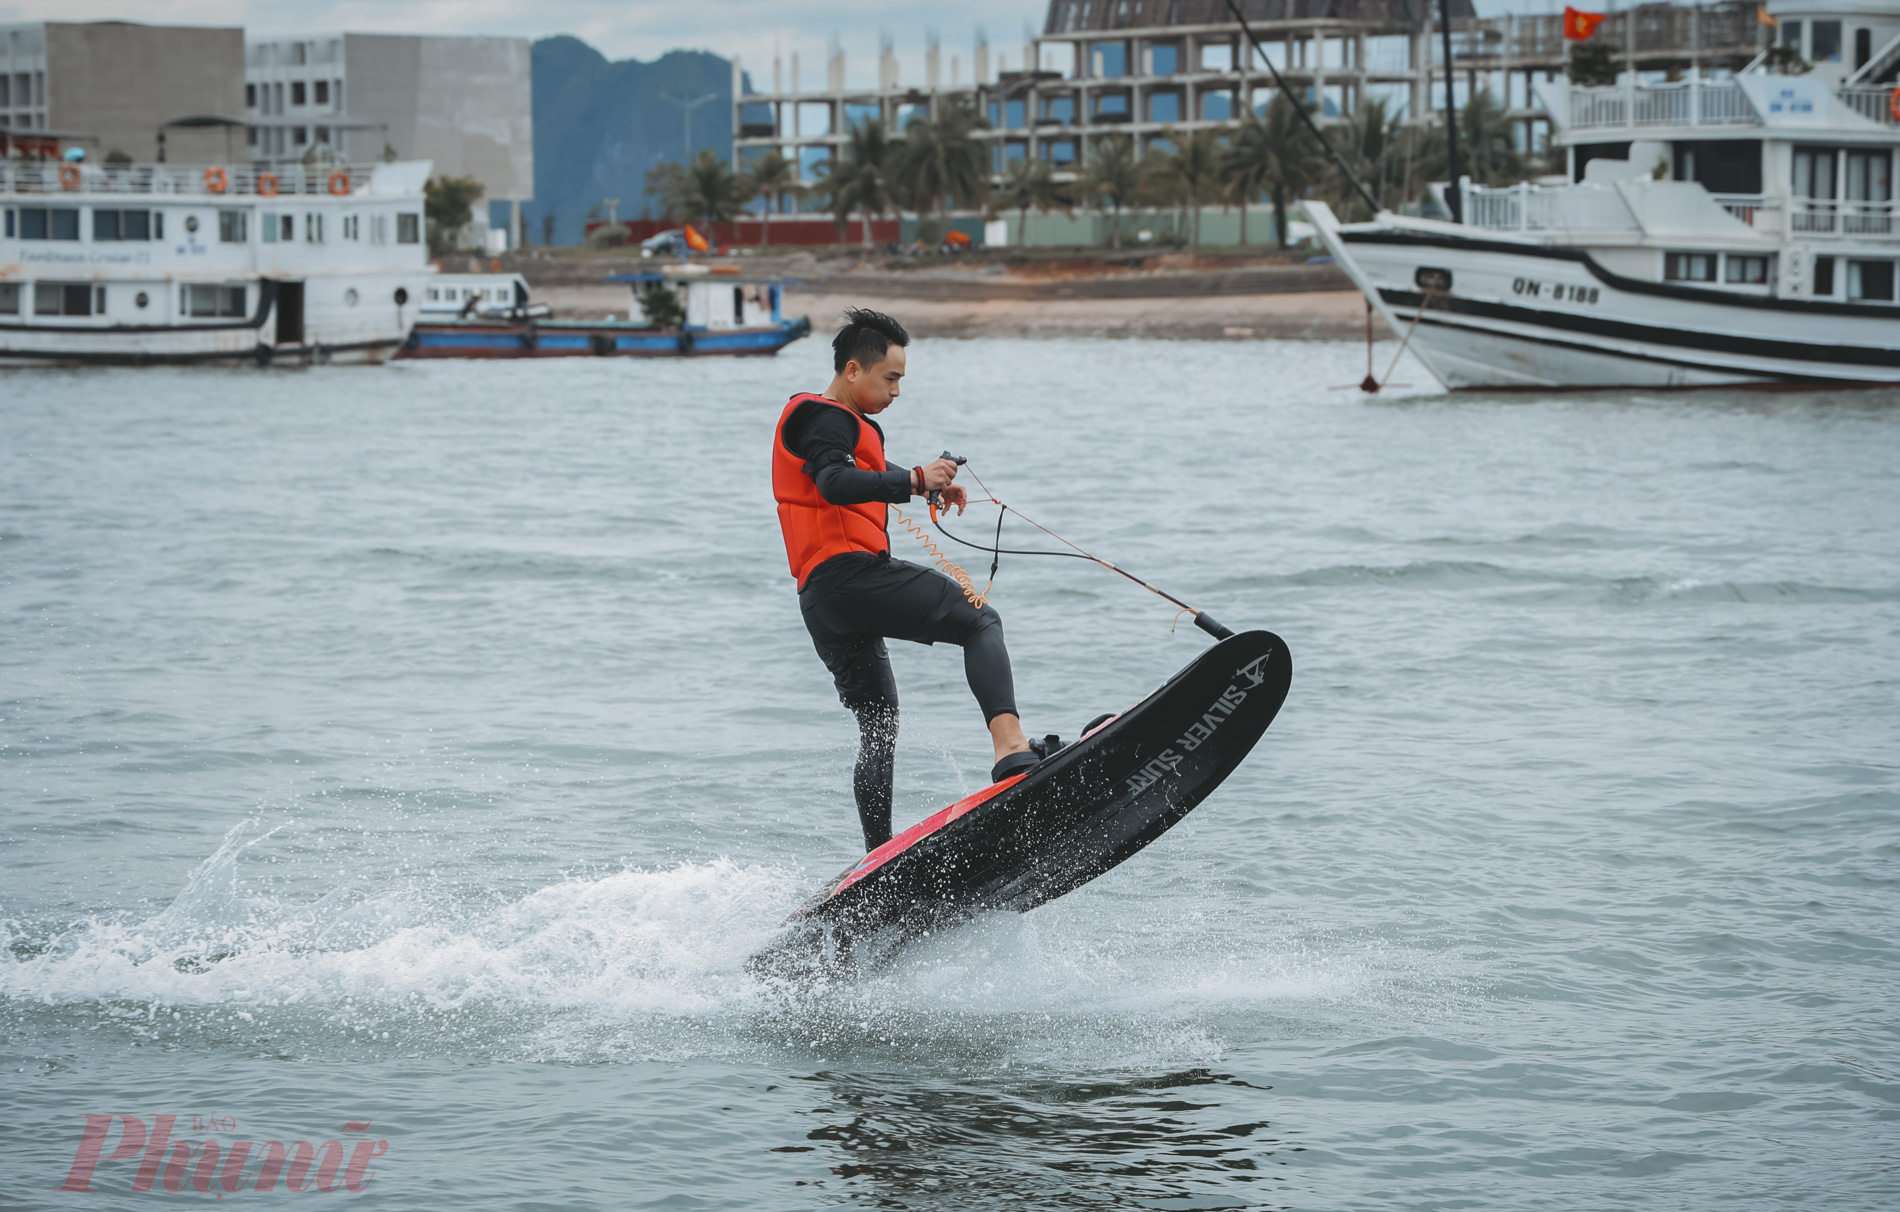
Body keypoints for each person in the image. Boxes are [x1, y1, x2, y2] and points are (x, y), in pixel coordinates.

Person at [771, 308, 1059, 853]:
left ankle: (878, 860)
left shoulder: (822, 423)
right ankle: (1010, 747)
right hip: (852, 576)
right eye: (891, 378)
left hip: (822, 601)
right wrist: (914, 478)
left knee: (879, 726)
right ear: (853, 370)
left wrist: (924, 486)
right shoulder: (826, 416)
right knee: (980, 619)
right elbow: (833, 482)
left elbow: (843, 470)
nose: (897, 391)